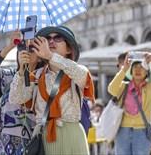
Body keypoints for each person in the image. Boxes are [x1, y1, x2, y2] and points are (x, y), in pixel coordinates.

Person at [9, 26, 95, 154]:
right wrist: (22, 69)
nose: (51, 41)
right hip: (44, 136)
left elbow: (82, 75)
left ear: (69, 49)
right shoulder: (37, 75)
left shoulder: (76, 71)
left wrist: (50, 56)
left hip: (72, 134)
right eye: (47, 38)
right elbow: (16, 98)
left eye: (58, 38)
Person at [0, 30, 44, 154]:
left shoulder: (42, 78)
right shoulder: (10, 76)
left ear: (39, 57)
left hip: (32, 141)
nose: (26, 51)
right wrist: (10, 45)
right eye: (22, 47)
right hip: (4, 141)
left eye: (31, 49)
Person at [108, 52, 151, 155]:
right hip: (122, 132)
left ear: (147, 71)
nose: (138, 69)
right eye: (135, 67)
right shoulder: (124, 87)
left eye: (142, 67)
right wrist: (123, 69)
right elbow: (111, 88)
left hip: (142, 132)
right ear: (131, 71)